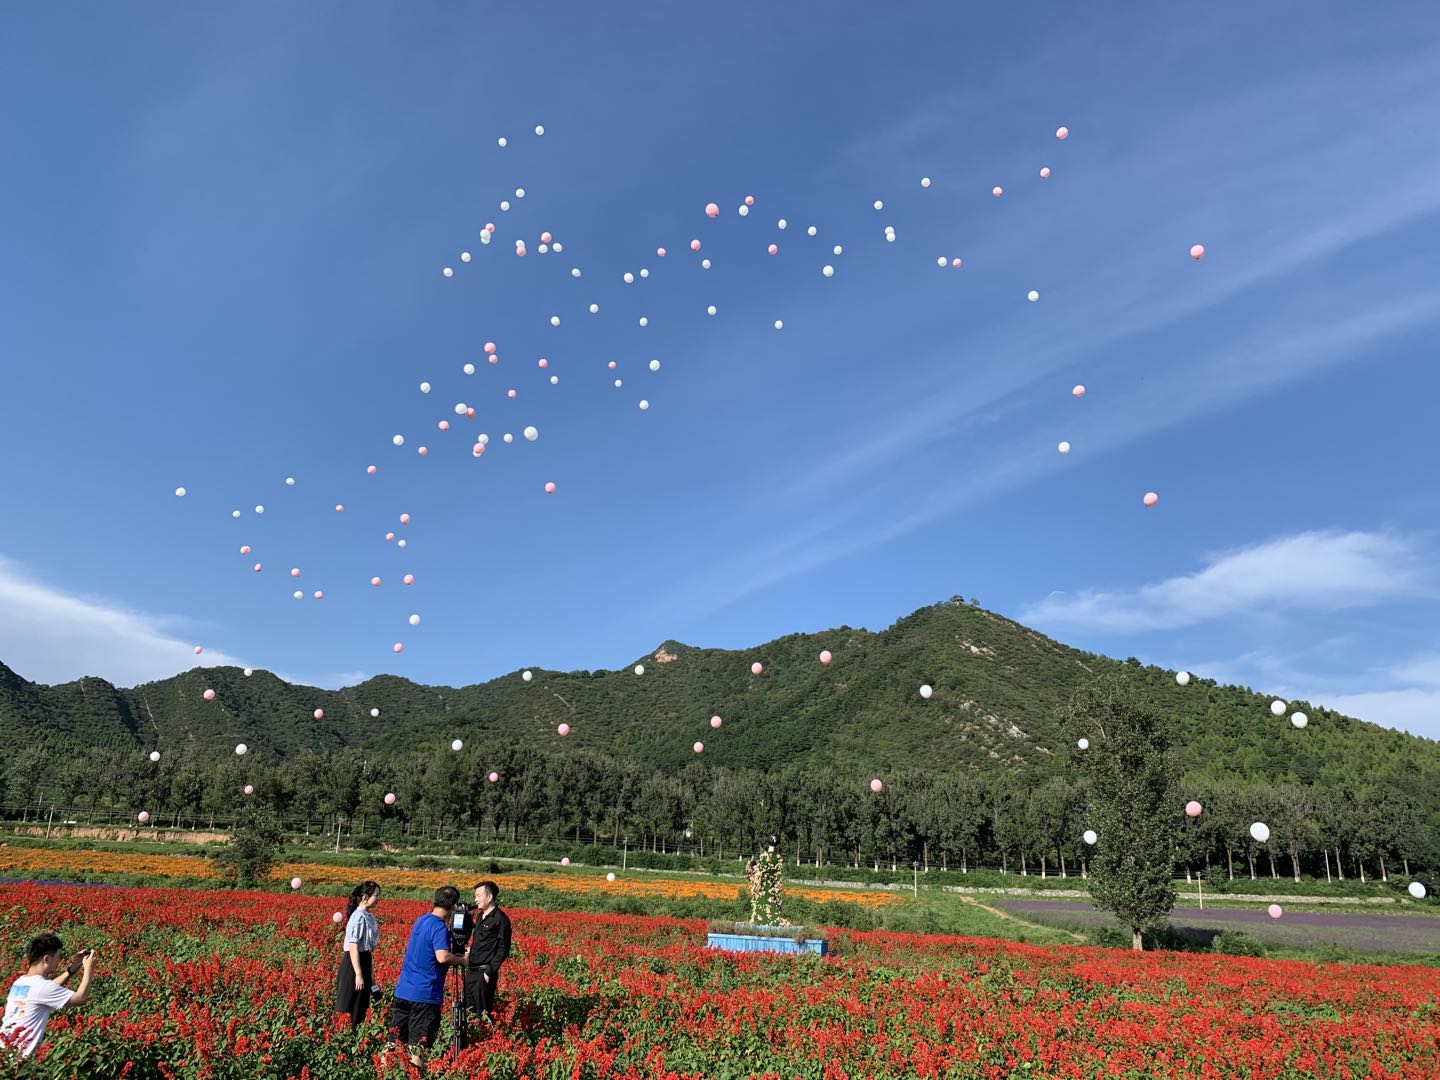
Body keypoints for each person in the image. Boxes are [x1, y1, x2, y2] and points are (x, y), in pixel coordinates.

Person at [390, 886, 468, 1065]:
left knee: (393, 1042)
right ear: (454, 906)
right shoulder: (439, 927)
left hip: (403, 991)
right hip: (424, 996)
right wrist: (462, 960)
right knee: (418, 1047)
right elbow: (442, 957)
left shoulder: (421, 920)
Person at [1, 935, 98, 1060]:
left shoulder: (21, 982)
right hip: (17, 1059)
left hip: (4, 1052)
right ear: (46, 959)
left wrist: (72, 969)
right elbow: (80, 998)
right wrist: (89, 969)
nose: (58, 962)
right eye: (57, 957)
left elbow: (47, 989)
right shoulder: (42, 987)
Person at [463, 881, 512, 1023]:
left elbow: (503, 948)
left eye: (478, 896)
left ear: (489, 897)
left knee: (482, 1013)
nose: (475, 899)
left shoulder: (500, 919)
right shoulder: (480, 916)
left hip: (483, 973)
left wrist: (488, 972)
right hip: (471, 970)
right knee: (467, 1011)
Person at [334, 880, 381, 1027]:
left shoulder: (369, 916)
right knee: (347, 1003)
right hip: (353, 965)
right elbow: (353, 946)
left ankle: (353, 1032)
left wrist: (371, 975)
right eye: (376, 895)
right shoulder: (358, 917)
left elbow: (368, 950)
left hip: (364, 961)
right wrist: (358, 974)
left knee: (361, 1004)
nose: (378, 899)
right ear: (366, 897)